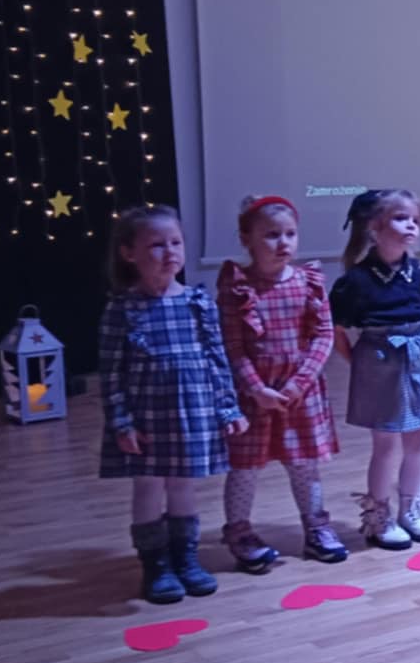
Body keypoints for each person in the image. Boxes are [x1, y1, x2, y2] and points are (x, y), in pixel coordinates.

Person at [100, 204, 247, 604]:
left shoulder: (198, 303)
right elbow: (111, 373)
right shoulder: (122, 309)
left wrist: (228, 408)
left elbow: (217, 359)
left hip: (192, 413)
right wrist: (122, 423)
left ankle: (185, 559)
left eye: (176, 243)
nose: (170, 253)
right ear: (129, 253)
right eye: (157, 245)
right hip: (147, 418)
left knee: (183, 485)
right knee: (149, 486)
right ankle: (155, 565)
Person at [216, 195, 343, 571]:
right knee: (245, 468)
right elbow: (232, 345)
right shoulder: (238, 287)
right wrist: (256, 388)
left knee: (304, 464)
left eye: (290, 234)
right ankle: (240, 533)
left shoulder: (308, 282)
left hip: (299, 396)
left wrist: (298, 384)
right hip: (255, 397)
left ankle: (316, 528)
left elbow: (323, 336)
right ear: (247, 239)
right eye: (272, 235)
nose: (283, 242)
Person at [331, 189, 420, 548]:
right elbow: (337, 330)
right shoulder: (356, 281)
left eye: (414, 219)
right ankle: (378, 516)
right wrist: (361, 363)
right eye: (400, 218)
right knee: (386, 443)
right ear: (375, 227)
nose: (410, 225)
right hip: (379, 360)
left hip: (416, 356)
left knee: (417, 439)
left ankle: (411, 509)